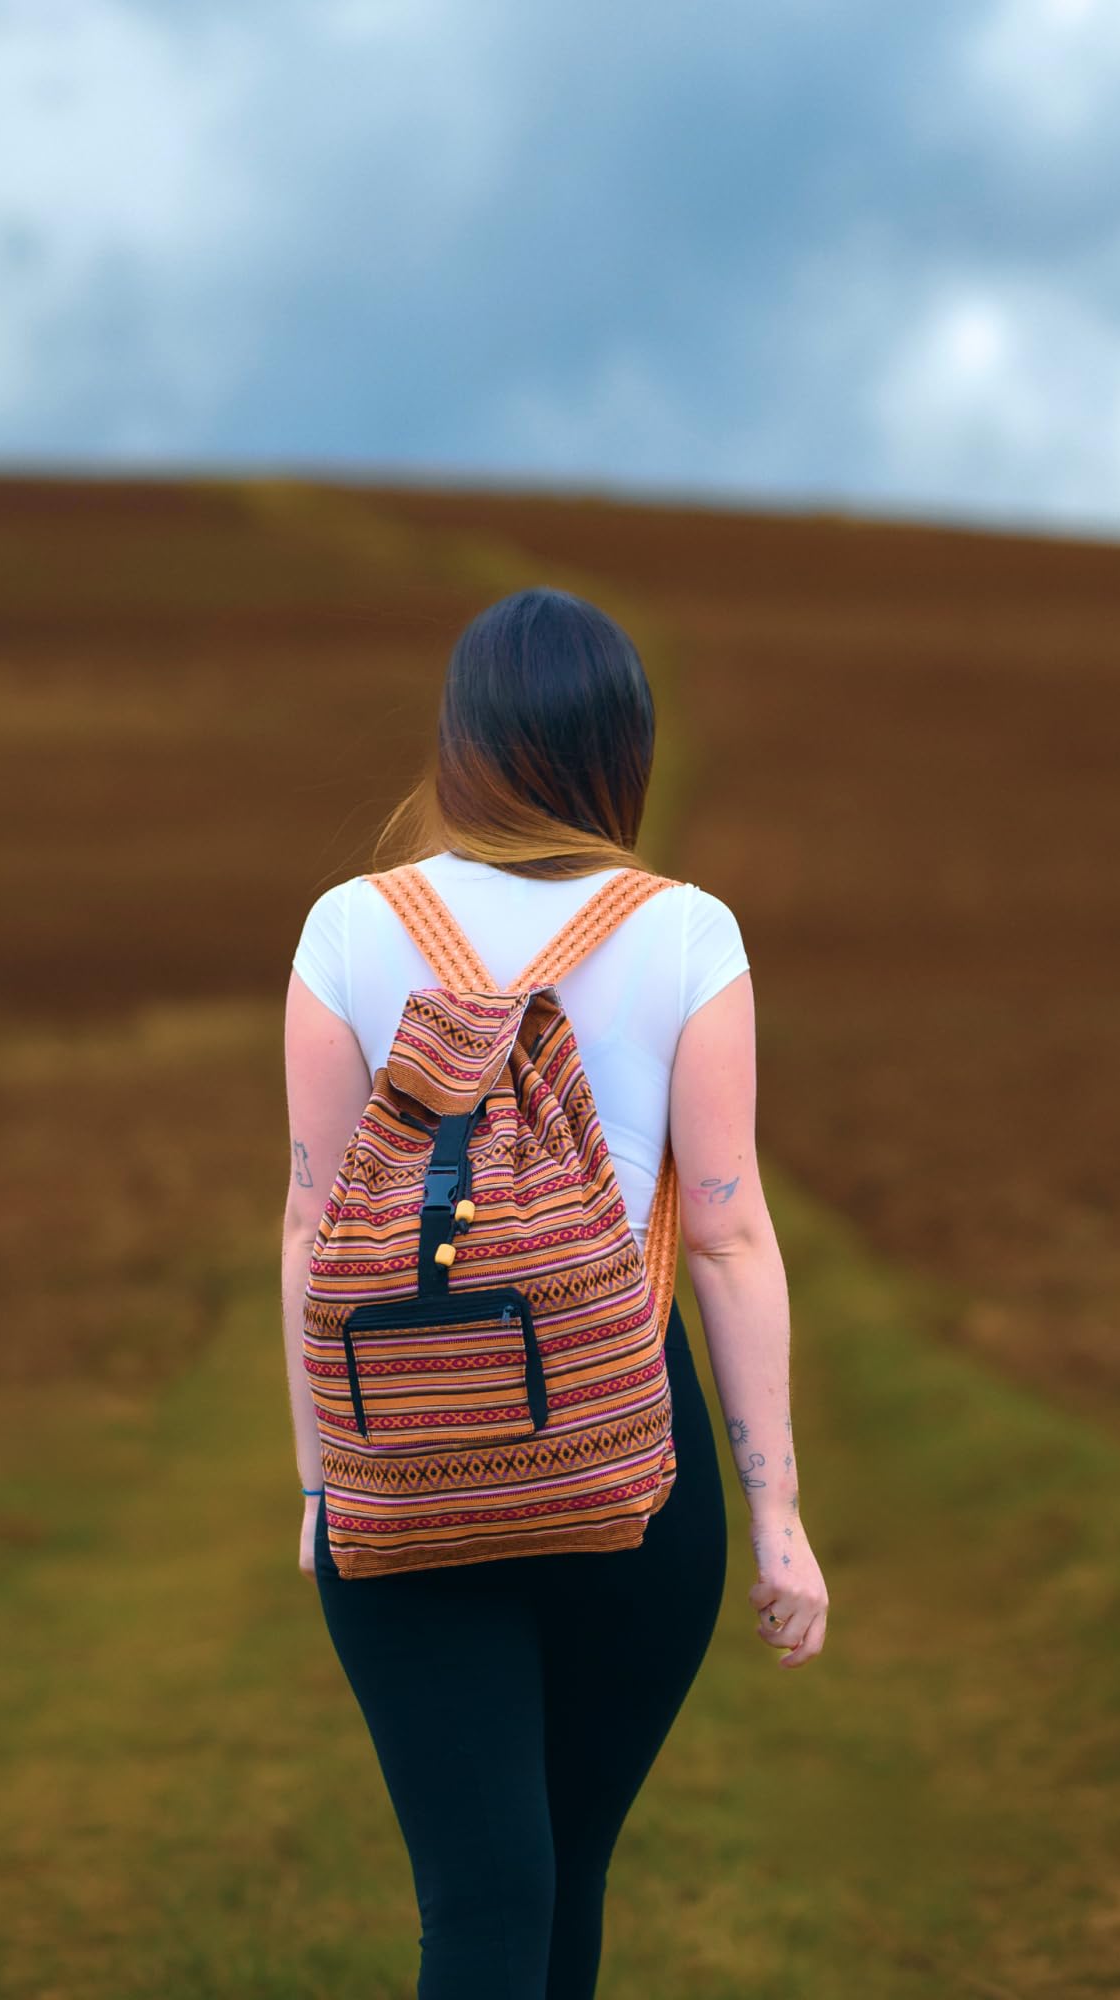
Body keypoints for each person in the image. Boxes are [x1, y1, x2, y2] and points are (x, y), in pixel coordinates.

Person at [280, 585, 829, 2000]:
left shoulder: (347, 928)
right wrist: (775, 1515)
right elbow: (727, 1238)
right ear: (620, 752)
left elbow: (315, 1219)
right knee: (561, 1878)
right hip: (634, 1475)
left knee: (479, 1900)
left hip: (399, 1467)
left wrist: (321, 1481)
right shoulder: (688, 932)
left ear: (459, 741)